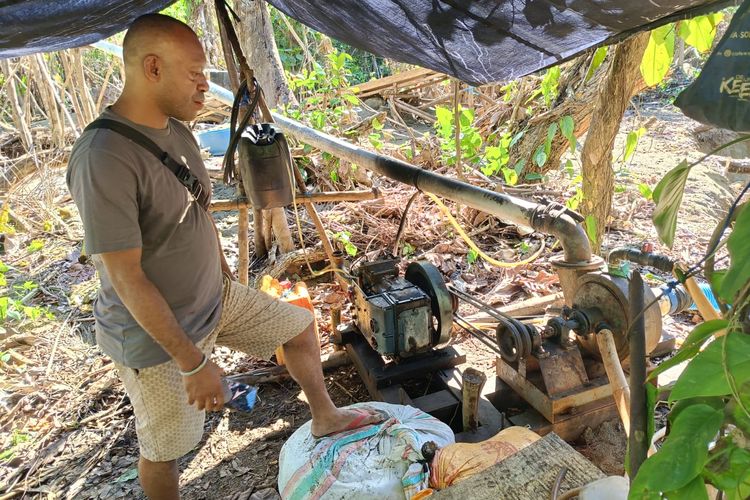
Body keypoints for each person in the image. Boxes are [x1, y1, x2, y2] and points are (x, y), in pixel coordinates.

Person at [66, 13, 380, 500]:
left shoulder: (176, 130)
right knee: (167, 450)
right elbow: (125, 278)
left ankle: (324, 415)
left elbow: (195, 210)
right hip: (158, 335)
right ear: (152, 68)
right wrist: (193, 363)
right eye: (194, 74)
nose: (203, 86)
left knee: (297, 328)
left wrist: (222, 274)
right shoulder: (105, 157)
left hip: (214, 296)